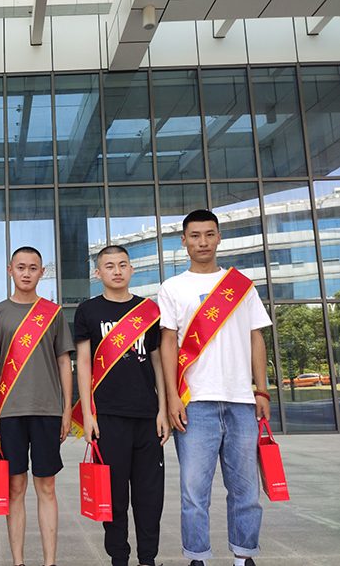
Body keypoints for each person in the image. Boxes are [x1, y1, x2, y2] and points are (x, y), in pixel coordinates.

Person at [158, 210, 272, 566]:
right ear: (184, 241)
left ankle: (243, 556)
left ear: (219, 237)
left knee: (246, 490)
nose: (203, 242)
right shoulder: (172, 287)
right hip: (195, 403)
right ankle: (198, 557)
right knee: (194, 492)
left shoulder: (241, 285)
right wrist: (173, 397)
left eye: (209, 234)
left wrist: (262, 390)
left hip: (241, 401)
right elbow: (168, 343)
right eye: (195, 236)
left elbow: (256, 338)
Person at [73, 245, 168, 566]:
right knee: (112, 495)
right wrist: (88, 414)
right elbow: (83, 363)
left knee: (149, 495)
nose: (117, 271)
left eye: (122, 265)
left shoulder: (148, 310)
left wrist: (163, 410)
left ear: (131, 269)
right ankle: (119, 558)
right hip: (107, 416)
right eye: (109, 265)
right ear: (98, 273)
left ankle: (148, 558)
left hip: (147, 415)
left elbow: (157, 362)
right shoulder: (88, 310)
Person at [0, 246, 74, 566]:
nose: (26, 273)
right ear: (10, 270)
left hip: (47, 410)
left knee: (46, 486)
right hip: (9, 412)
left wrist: (67, 409)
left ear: (41, 272)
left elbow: (64, 362)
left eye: (33, 268)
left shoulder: (53, 312)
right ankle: (18, 562)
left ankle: (50, 562)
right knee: (15, 486)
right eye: (20, 267)